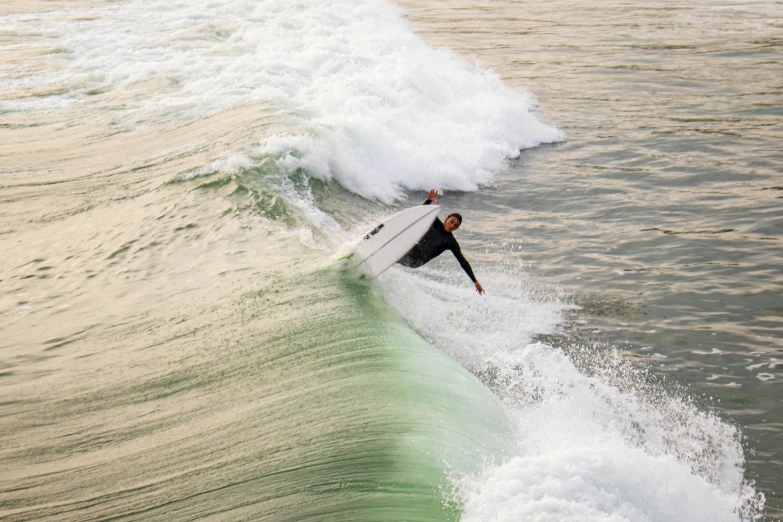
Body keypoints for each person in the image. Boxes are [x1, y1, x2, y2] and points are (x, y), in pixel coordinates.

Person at [398, 189, 485, 295]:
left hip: (417, 260)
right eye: (451, 222)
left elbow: (463, 262)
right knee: (404, 242)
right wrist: (429, 200)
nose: (452, 226)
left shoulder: (451, 242)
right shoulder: (434, 223)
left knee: (399, 252)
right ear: (446, 219)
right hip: (413, 249)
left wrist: (475, 281)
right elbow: (422, 212)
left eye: (456, 225)